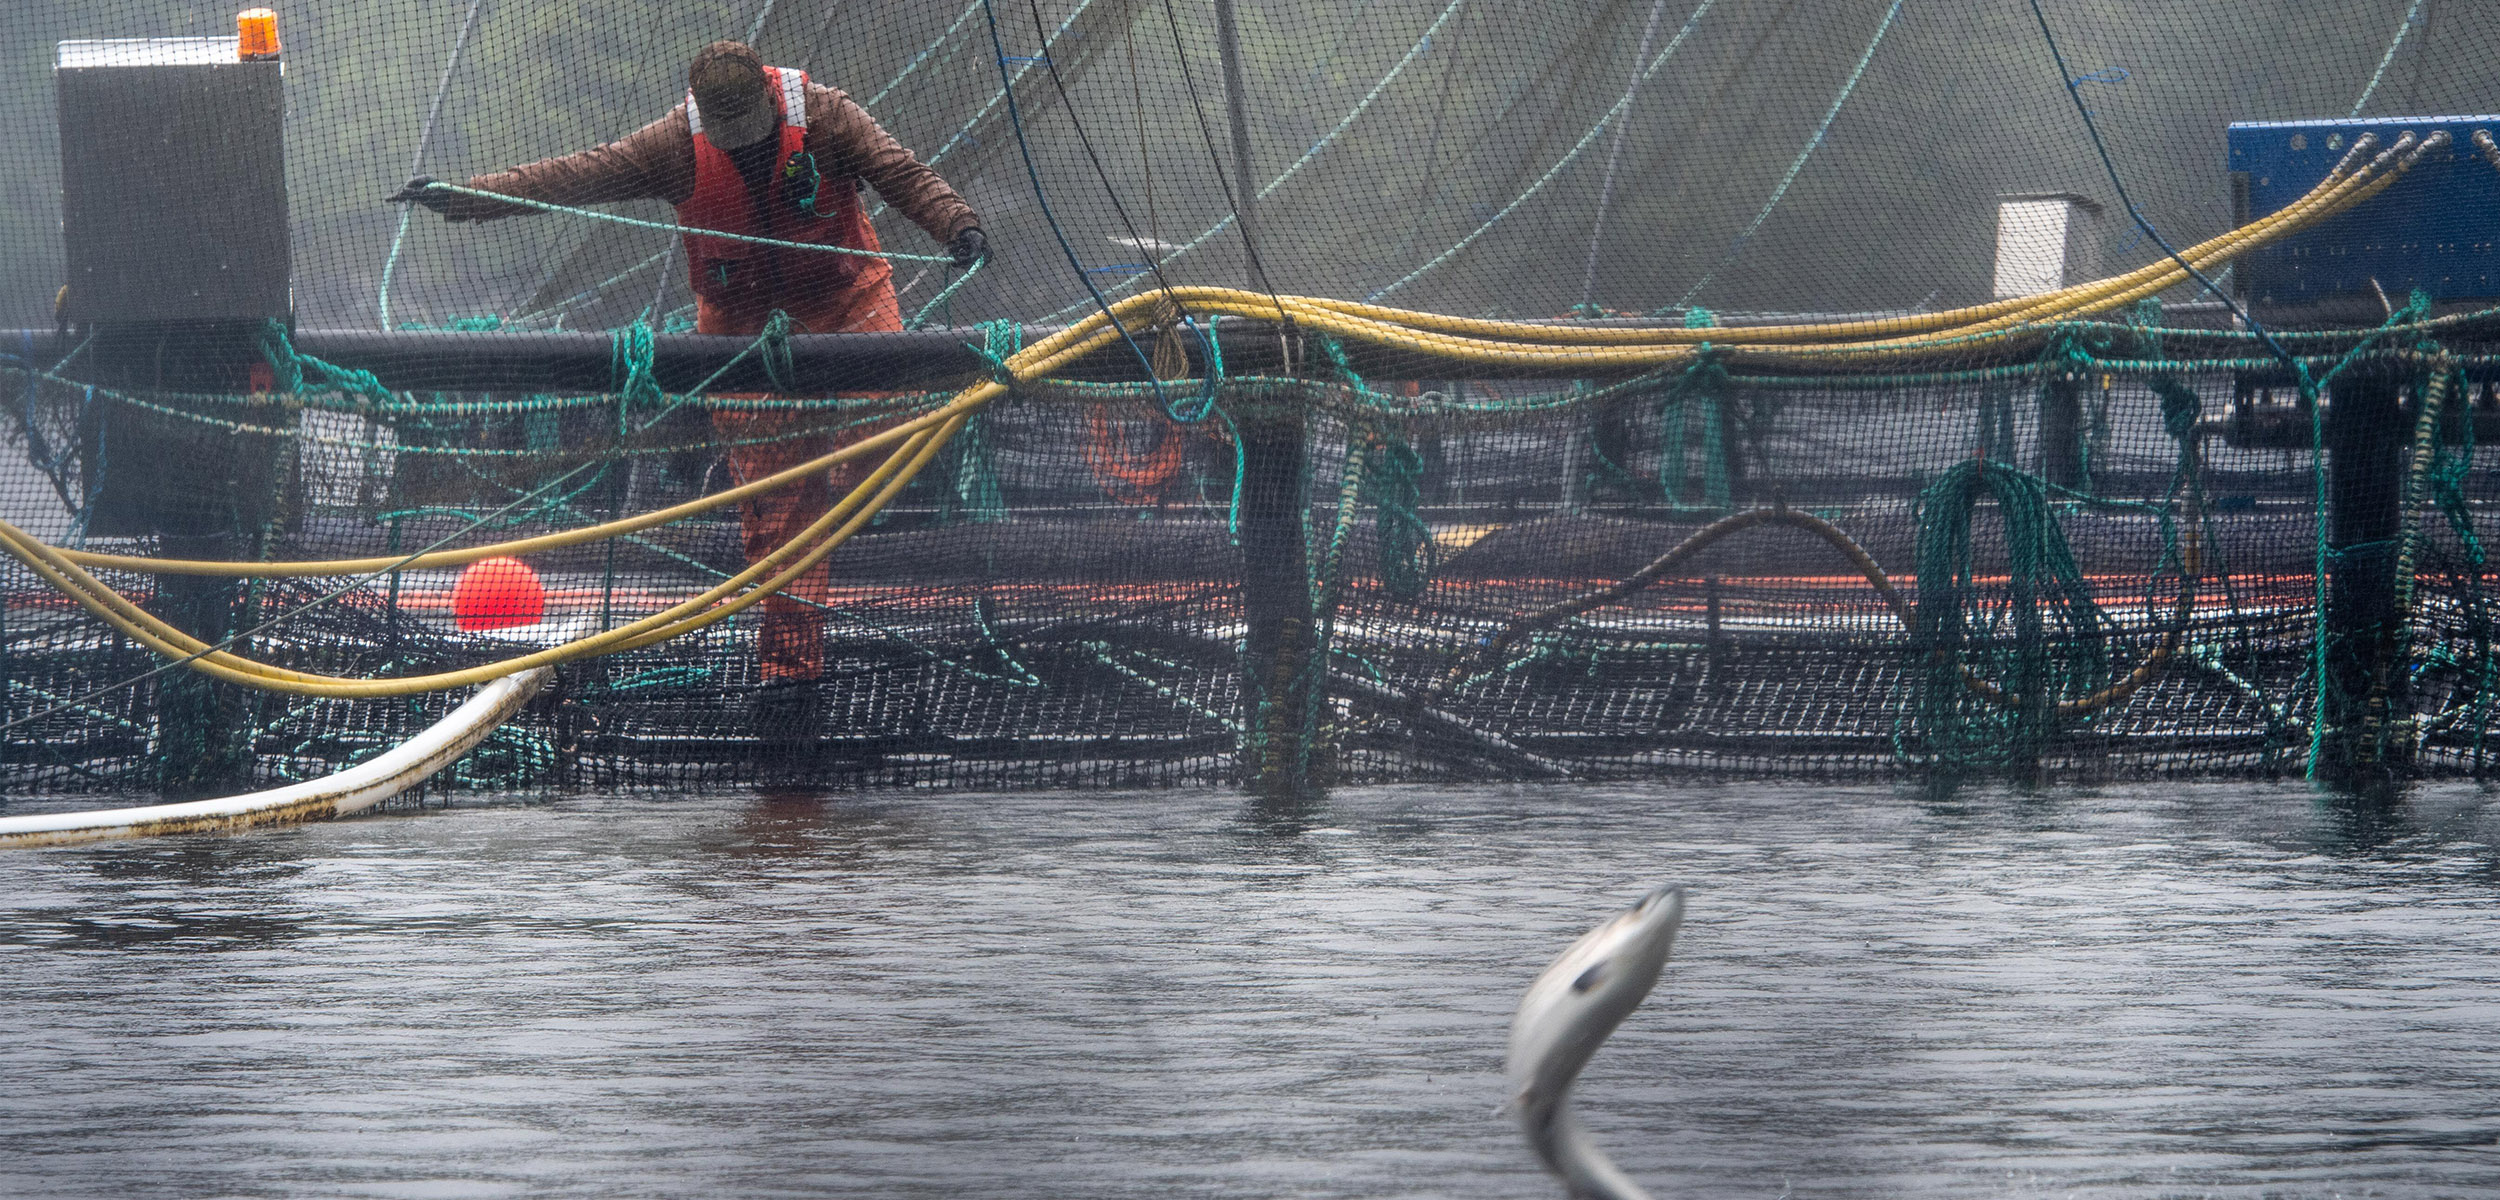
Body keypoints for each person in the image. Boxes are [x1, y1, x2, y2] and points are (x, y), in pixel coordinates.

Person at [393, 40, 987, 769]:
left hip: (843, 299)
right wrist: (462, 198)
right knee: (782, 518)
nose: (741, 141)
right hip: (739, 329)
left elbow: (902, 171)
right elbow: (573, 176)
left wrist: (958, 226)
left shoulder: (825, 115)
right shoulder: (674, 145)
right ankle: (790, 682)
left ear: (770, 98)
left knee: (892, 419)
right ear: (705, 114)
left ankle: (856, 488)